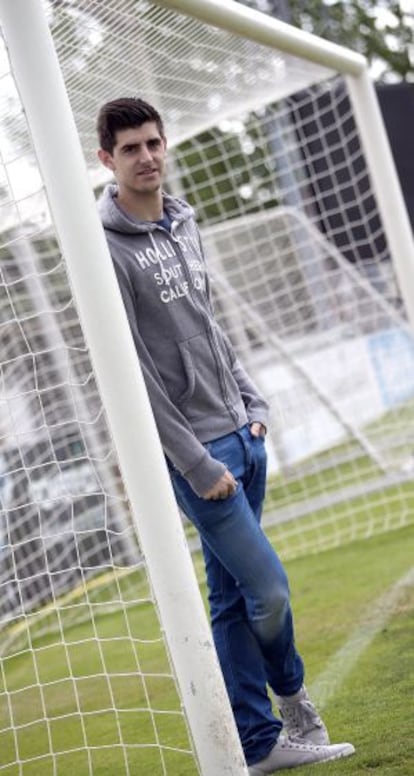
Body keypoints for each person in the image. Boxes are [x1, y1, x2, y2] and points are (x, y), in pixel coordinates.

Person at [96, 97, 355, 774]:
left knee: (232, 596)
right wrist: (193, 460)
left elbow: (210, 326)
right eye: (130, 149)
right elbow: (135, 373)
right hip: (200, 456)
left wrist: (253, 402)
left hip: (244, 432)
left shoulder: (184, 220)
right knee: (266, 588)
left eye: (154, 142)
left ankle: (257, 744)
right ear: (106, 160)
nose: (147, 156)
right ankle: (295, 703)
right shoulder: (106, 250)